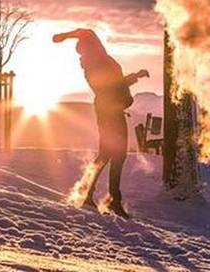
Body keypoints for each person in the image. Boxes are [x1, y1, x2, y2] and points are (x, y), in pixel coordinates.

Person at [53, 28, 149, 218]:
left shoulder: (97, 60)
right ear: (90, 48)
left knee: (109, 155)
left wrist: (64, 36)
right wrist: (134, 77)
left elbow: (85, 32)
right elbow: (113, 88)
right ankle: (105, 198)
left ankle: (95, 195)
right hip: (109, 113)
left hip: (110, 111)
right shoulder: (94, 67)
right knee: (112, 155)